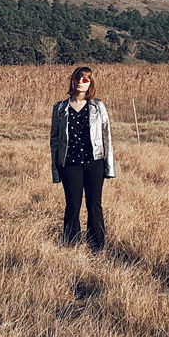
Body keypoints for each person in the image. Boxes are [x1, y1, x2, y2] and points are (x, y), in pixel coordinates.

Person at [49, 66, 115, 250]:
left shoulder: (97, 106)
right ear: (72, 80)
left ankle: (97, 245)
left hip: (94, 162)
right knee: (73, 204)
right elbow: (54, 140)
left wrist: (109, 167)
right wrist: (56, 170)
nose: (81, 82)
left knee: (94, 204)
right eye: (78, 78)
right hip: (69, 163)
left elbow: (106, 137)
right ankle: (71, 244)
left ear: (90, 83)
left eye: (86, 79)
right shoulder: (60, 108)